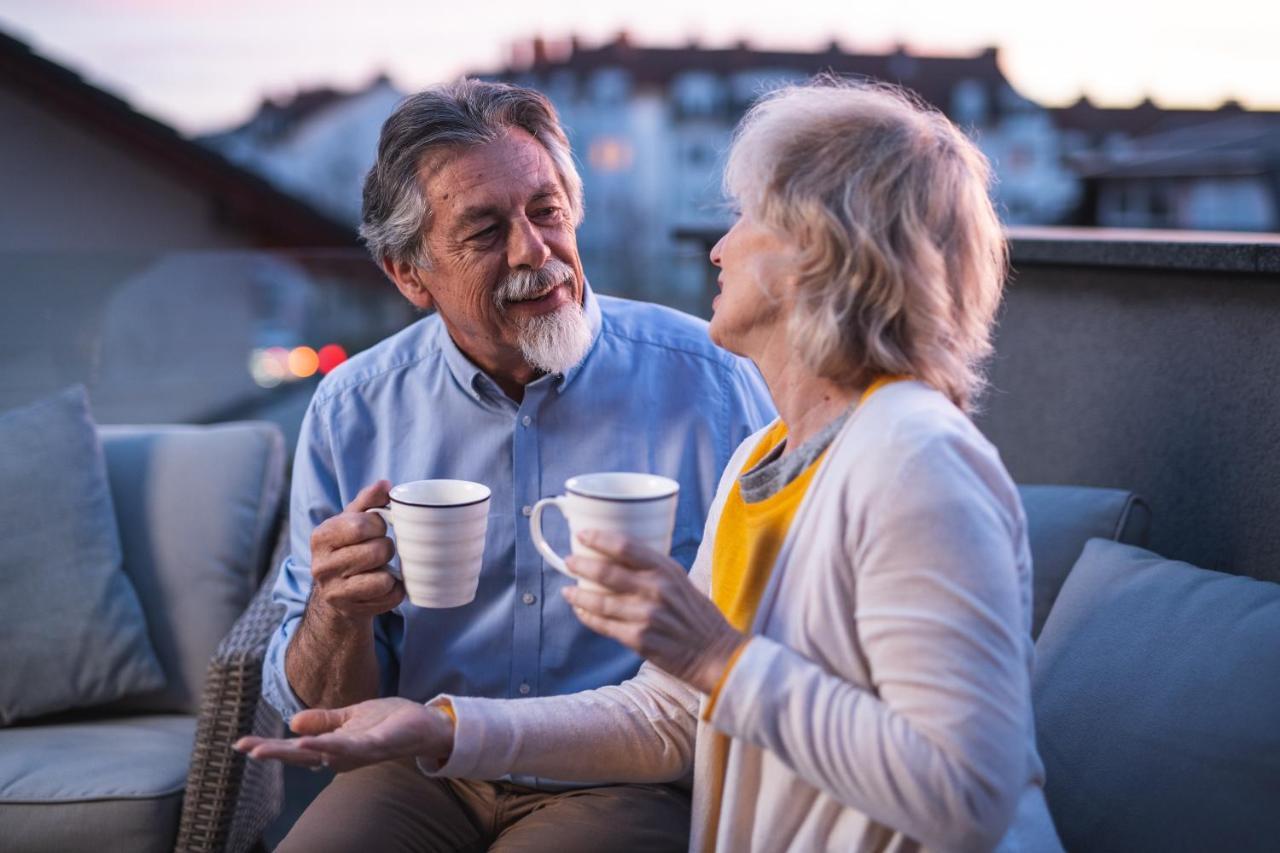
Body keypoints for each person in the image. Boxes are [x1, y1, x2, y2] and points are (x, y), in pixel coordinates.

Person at [243, 79, 1063, 851]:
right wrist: (443, 725)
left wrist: (715, 656)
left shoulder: (918, 459)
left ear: (819, 257)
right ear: (408, 273)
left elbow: (968, 791)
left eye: (747, 217)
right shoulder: (767, 457)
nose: (717, 246)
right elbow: (671, 708)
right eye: (487, 229)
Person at [259, 79, 774, 851]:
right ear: (409, 274)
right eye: (485, 230)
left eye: (547, 210)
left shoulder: (715, 378)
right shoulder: (353, 406)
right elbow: (320, 705)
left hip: (622, 770)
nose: (535, 252)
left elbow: (768, 635)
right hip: (420, 768)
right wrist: (339, 612)